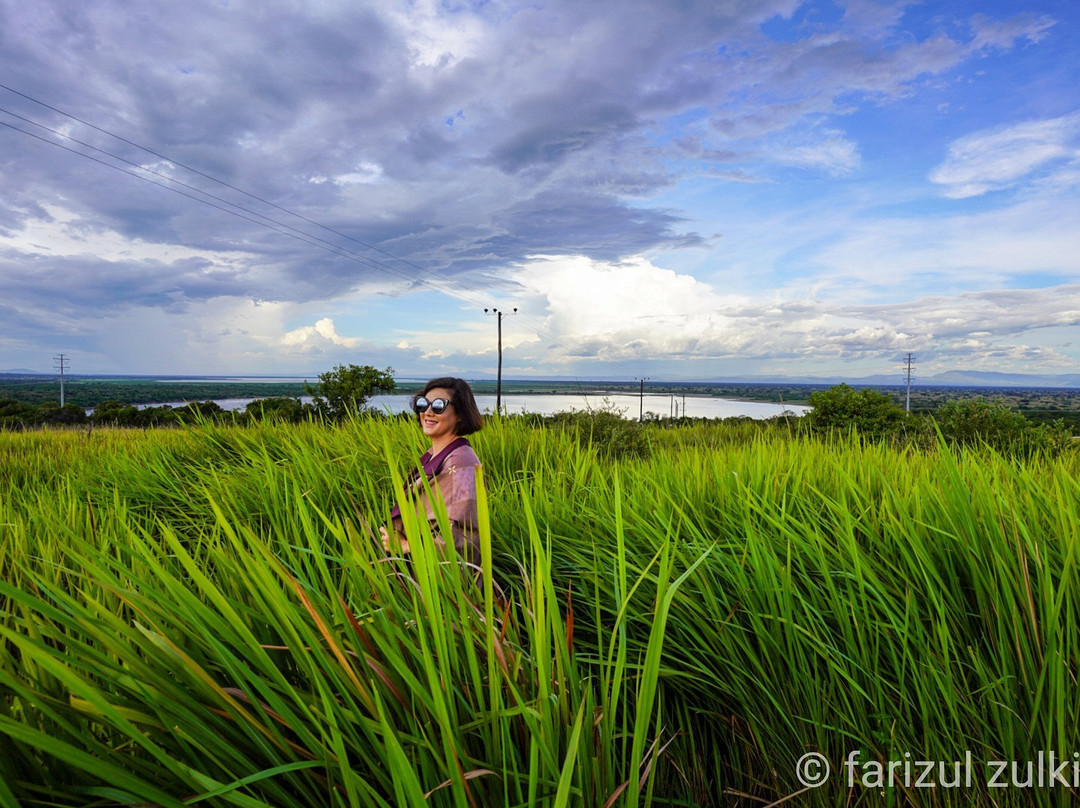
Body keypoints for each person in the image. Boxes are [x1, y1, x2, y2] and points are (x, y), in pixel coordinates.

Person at [380, 377, 484, 565]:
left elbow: (464, 532)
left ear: (460, 414)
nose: (427, 412)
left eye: (438, 406)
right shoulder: (433, 455)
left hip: (439, 575)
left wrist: (408, 546)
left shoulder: (461, 462)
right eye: (423, 404)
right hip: (418, 566)